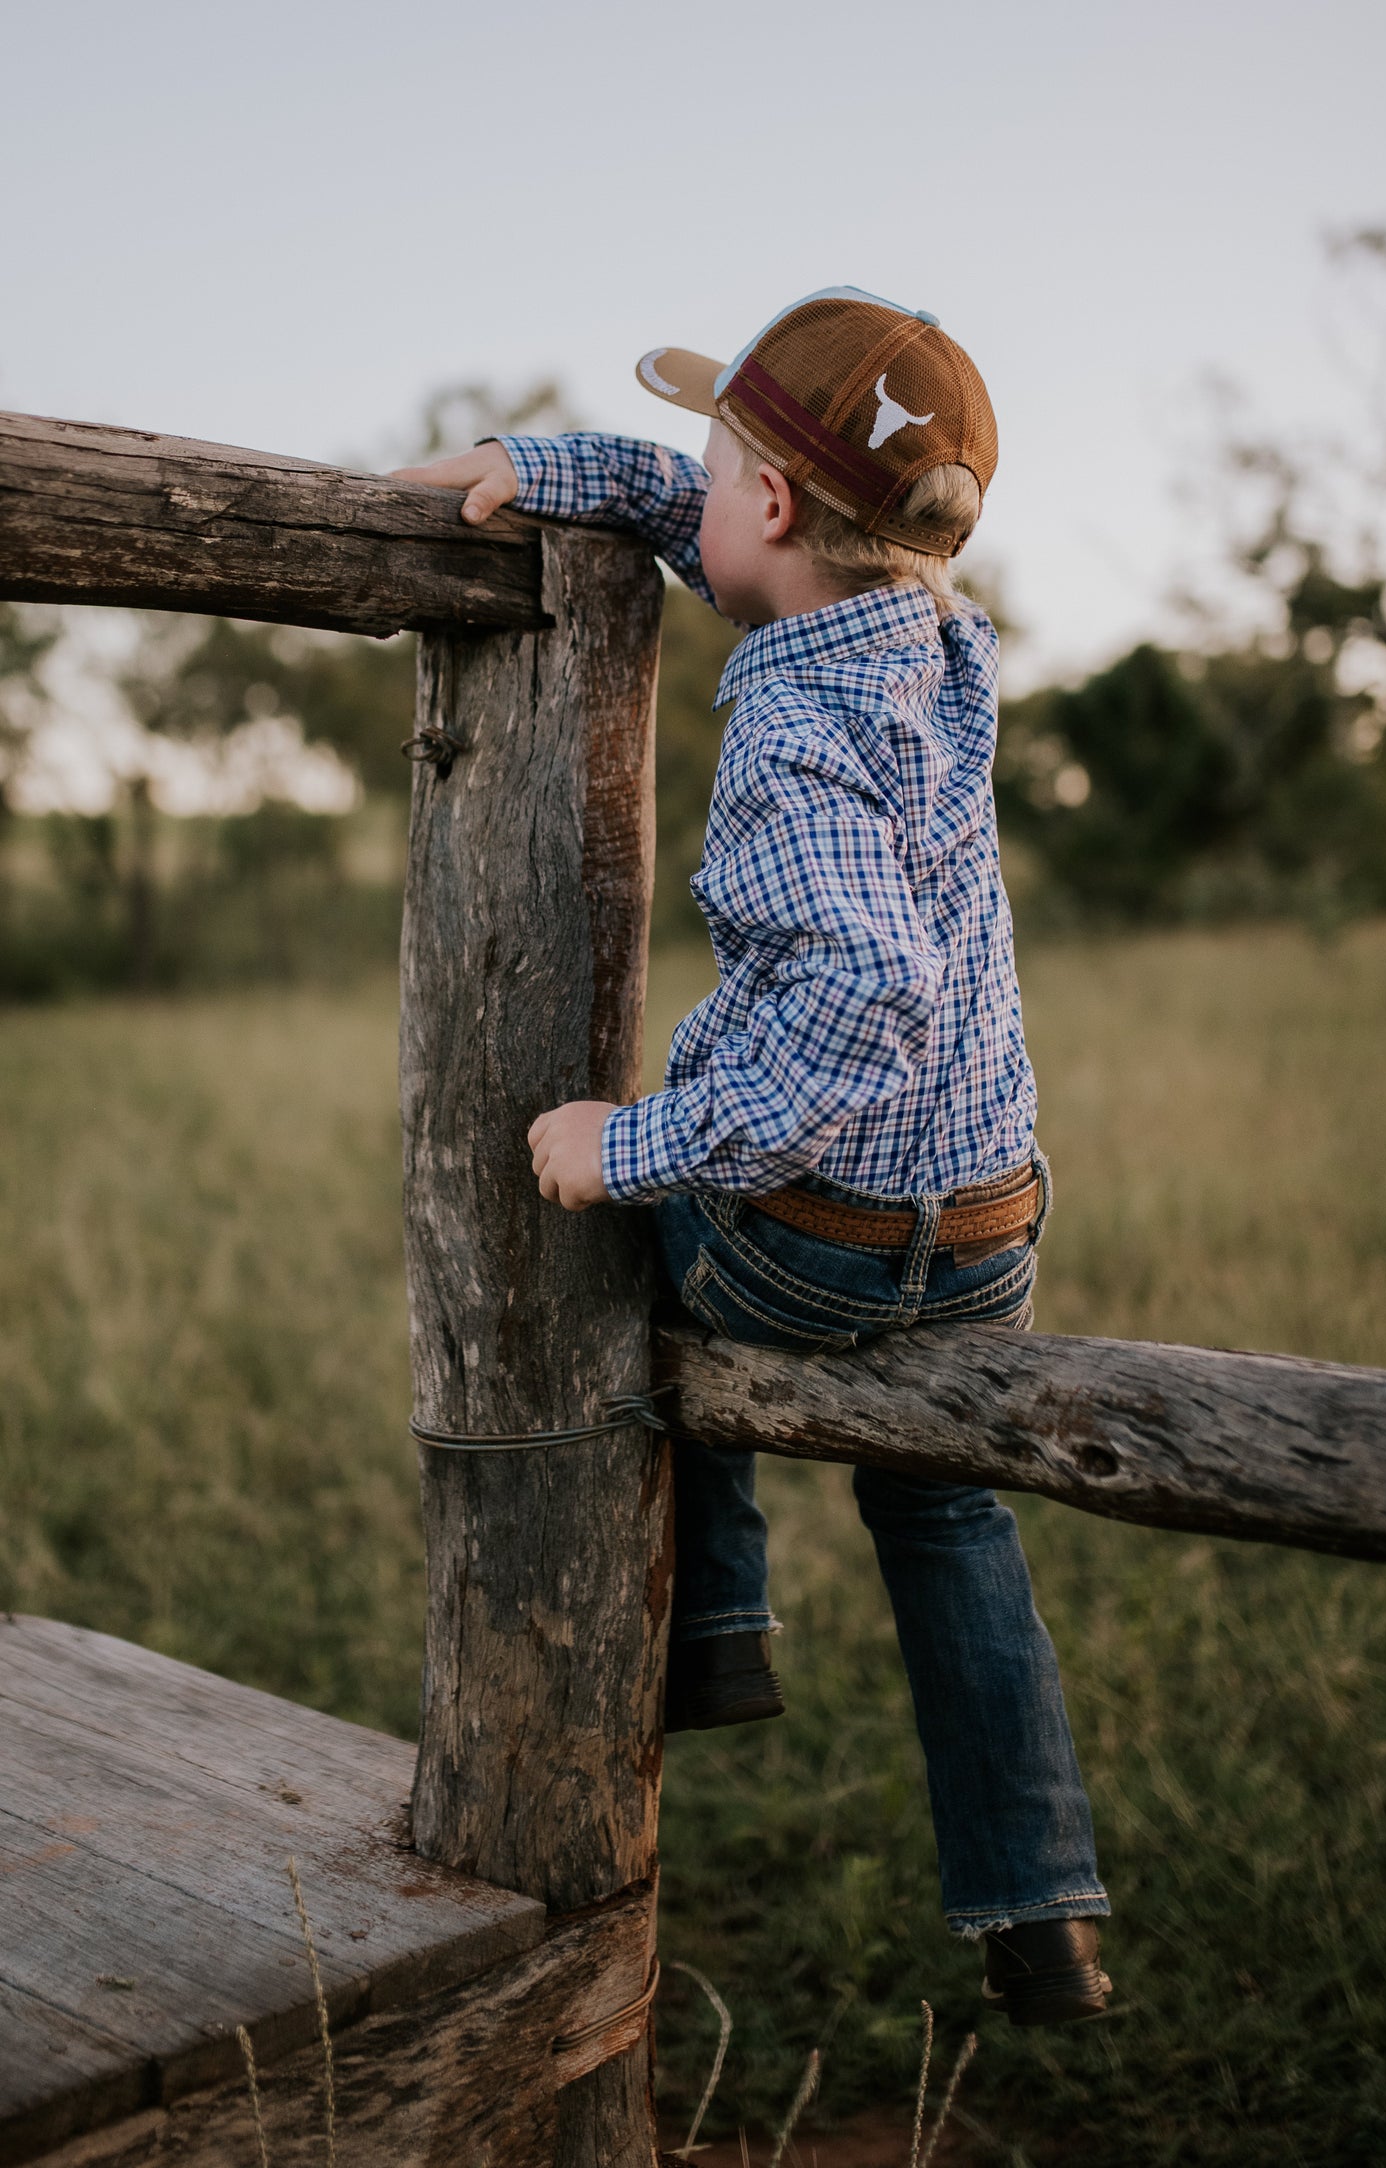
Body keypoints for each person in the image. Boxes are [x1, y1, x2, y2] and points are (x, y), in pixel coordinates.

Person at [393, 288, 1111, 2027]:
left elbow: (868, 997)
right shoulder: (939, 638)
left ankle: (709, 1628)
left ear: (775, 512)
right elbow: (721, 521)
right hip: (988, 1228)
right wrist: (547, 468)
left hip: (819, 1238)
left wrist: (631, 1141)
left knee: (617, 1236)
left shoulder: (790, 737)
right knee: (946, 1508)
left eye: (716, 473)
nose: (694, 496)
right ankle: (1038, 1909)